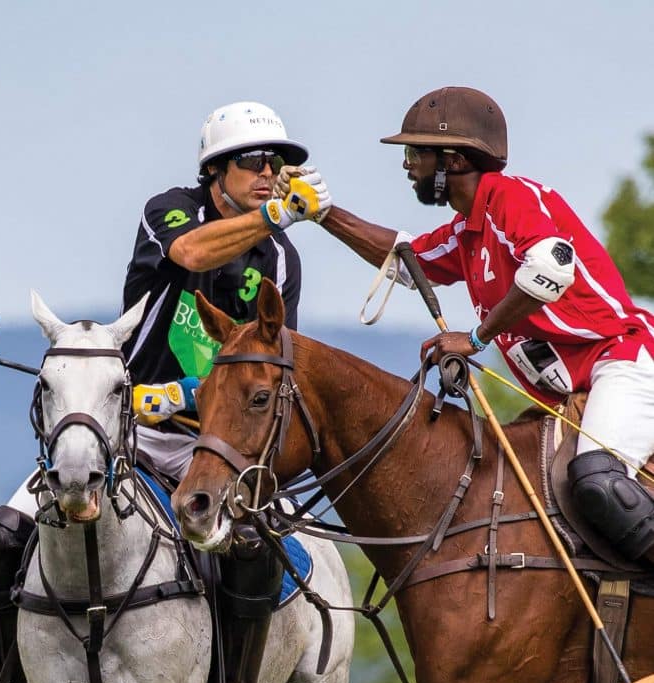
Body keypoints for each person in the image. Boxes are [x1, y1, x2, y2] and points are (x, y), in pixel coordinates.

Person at [0, 100, 332, 683]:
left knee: (249, 551)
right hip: (122, 435)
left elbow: (272, 363)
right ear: (216, 171)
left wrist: (187, 392)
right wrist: (271, 215)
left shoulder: (279, 260)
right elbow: (189, 254)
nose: (272, 173)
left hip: (215, 444)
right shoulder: (172, 210)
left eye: (280, 165)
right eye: (256, 162)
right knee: (1, 536)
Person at [278, 85, 654, 565]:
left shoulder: (513, 199)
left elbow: (550, 267)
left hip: (623, 361)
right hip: (569, 394)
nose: (408, 165)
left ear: (453, 161)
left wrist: (475, 338)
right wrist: (324, 214)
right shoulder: (467, 230)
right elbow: (405, 259)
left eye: (417, 153)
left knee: (597, 481)